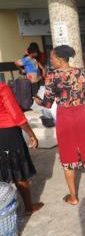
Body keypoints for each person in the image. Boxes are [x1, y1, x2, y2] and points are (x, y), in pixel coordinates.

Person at [33, 45, 85, 205]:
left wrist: (37, 100)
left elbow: (48, 104)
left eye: (52, 58)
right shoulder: (81, 72)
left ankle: (73, 197)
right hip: (81, 115)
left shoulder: (52, 76)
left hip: (65, 117)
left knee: (68, 156)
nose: (51, 61)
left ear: (60, 59)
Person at [0, 83, 43, 215]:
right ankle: (29, 208)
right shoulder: (2, 87)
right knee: (18, 170)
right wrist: (31, 134)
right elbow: (16, 113)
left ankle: (4, 208)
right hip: (8, 132)